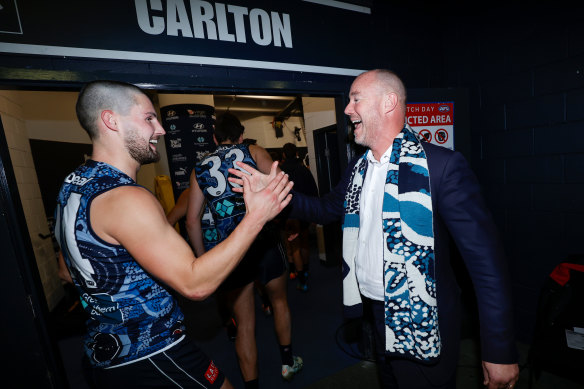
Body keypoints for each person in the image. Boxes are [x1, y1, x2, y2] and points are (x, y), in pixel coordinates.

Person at [228, 69, 520, 389]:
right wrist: (276, 195)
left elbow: (487, 265)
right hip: (377, 318)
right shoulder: (359, 168)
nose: (347, 109)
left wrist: (499, 350)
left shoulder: (442, 167)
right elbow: (325, 210)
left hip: (422, 323)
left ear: (388, 103)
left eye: (356, 99)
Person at [54, 80, 293, 389]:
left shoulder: (74, 183)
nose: (161, 129)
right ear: (111, 120)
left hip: (104, 354)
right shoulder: (127, 198)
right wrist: (256, 216)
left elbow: (65, 270)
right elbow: (196, 285)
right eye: (149, 118)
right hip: (151, 350)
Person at [185, 112, 303, 388]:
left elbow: (192, 221)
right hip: (264, 243)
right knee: (279, 302)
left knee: (245, 326)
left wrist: (204, 262)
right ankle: (287, 362)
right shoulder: (254, 150)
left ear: (214, 138)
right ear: (240, 135)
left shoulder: (199, 168)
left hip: (232, 251)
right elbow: (282, 190)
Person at [280, 143, 319, 291]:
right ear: (296, 153)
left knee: (294, 246)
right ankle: (306, 270)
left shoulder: (280, 172)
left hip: (289, 214)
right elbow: (313, 192)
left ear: (283, 154)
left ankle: (301, 278)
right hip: (304, 212)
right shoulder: (304, 170)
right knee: (304, 243)